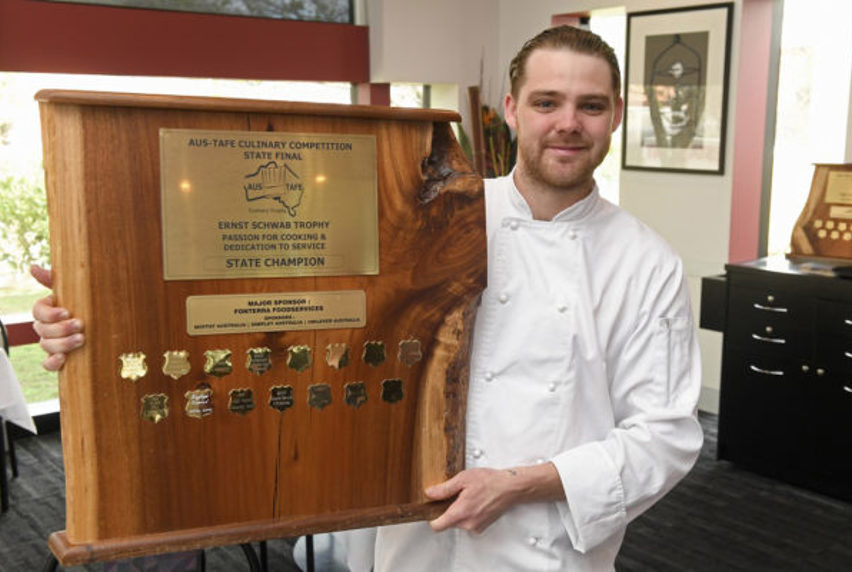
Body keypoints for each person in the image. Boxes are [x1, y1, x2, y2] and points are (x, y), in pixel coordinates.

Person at [33, 25, 702, 571]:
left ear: (614, 115)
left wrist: (520, 483)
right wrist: (92, 323)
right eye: (547, 102)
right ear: (511, 109)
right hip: (408, 538)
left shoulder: (646, 264)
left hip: (544, 548)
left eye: (590, 106)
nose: (568, 124)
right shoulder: (428, 216)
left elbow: (664, 438)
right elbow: (285, 314)